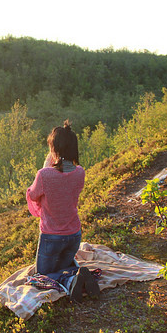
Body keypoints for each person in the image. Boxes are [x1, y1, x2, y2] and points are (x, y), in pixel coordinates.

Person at [26, 120, 99, 302]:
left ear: (54, 149)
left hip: (51, 237)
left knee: (41, 276)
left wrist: (45, 167)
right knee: (63, 264)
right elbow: (65, 182)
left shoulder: (44, 175)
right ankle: (77, 275)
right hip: (74, 234)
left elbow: (33, 194)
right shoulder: (80, 172)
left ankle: (72, 278)